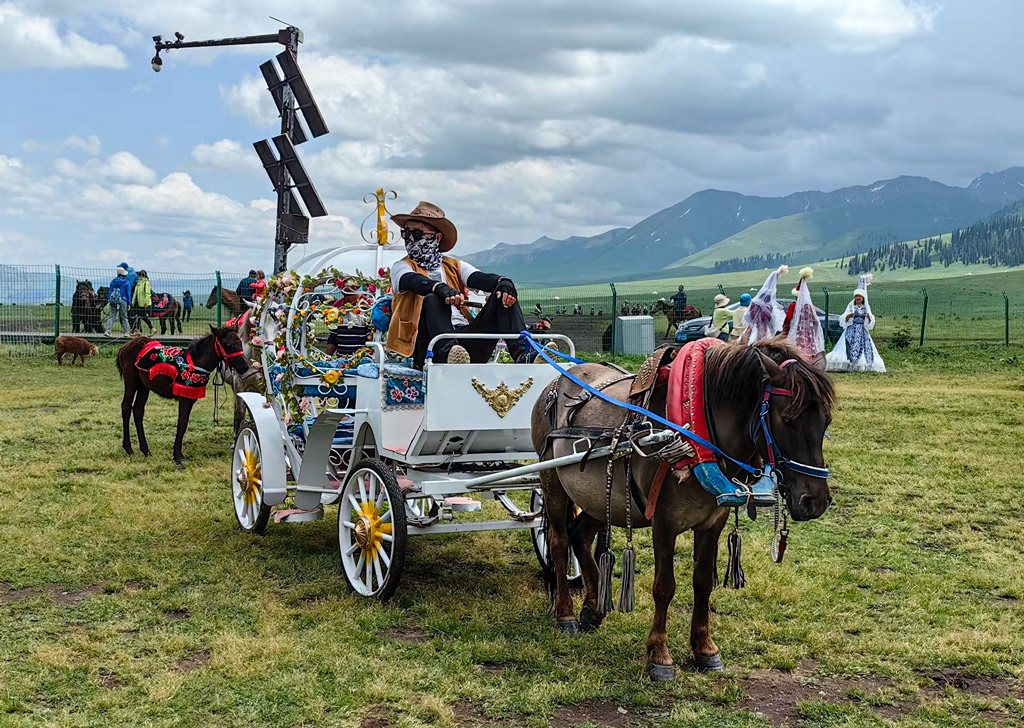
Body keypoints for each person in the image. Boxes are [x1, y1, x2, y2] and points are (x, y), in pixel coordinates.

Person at [387, 201, 527, 368]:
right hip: (425, 343)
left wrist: (504, 283)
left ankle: (523, 354)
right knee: (433, 298)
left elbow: (478, 278)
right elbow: (412, 281)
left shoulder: (453, 265)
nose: (410, 239)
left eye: (417, 234)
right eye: (406, 233)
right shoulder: (401, 267)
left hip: (464, 341)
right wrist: (440, 288)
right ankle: (449, 354)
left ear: (436, 238)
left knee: (503, 294)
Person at [826, 274, 885, 373]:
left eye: (860, 296)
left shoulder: (865, 307)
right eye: (856, 296)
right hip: (851, 330)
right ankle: (848, 364)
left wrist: (869, 318)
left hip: (862, 331)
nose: (858, 298)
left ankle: (861, 365)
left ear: (863, 298)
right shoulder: (851, 306)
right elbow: (843, 316)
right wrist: (848, 317)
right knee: (848, 346)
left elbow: (870, 319)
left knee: (865, 348)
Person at [785, 267, 825, 368]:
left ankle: (798, 363)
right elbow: (815, 321)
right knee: (809, 346)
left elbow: (789, 318)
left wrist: (785, 328)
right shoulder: (809, 307)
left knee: (797, 347)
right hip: (808, 333)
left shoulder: (793, 306)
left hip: (797, 332)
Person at [742, 265, 788, 345]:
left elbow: (747, 316)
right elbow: (773, 321)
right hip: (765, 331)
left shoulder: (754, 302)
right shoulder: (769, 305)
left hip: (754, 329)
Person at [104, 266, 131, 337]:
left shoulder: (113, 281)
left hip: (113, 300)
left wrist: (109, 299)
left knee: (112, 316)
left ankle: (107, 331)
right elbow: (128, 293)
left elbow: (110, 291)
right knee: (124, 317)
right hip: (123, 300)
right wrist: (129, 303)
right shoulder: (126, 282)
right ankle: (126, 332)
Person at [131, 269, 154, 333]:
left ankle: (151, 328)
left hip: (143, 303)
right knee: (137, 316)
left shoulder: (146, 283)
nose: (139, 276)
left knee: (143, 316)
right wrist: (133, 301)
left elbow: (147, 293)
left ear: (143, 275)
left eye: (140, 275)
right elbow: (136, 293)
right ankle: (137, 330)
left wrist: (146, 302)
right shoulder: (138, 283)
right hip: (138, 302)